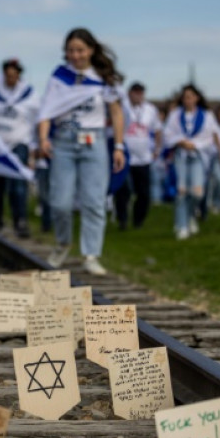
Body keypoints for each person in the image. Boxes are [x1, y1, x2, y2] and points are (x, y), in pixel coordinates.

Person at [37, 28, 126, 274]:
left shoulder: (102, 78)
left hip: (93, 141)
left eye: (80, 50)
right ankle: (63, 242)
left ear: (91, 50)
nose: (75, 55)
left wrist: (119, 146)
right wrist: (43, 138)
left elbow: (116, 113)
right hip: (63, 142)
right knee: (60, 202)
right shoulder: (59, 77)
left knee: (94, 201)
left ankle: (91, 254)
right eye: (71, 51)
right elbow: (46, 110)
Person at [0, 58, 39, 240]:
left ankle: (20, 220)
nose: (11, 78)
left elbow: (36, 119)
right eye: (8, 75)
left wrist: (33, 146)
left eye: (15, 75)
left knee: (18, 186)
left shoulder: (29, 93)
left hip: (18, 143)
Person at [163, 84, 220, 240]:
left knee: (197, 192)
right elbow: (168, 134)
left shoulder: (207, 116)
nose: (187, 100)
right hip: (181, 156)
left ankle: (190, 214)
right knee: (182, 190)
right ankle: (181, 225)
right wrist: (181, 142)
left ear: (197, 98)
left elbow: (210, 137)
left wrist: (195, 145)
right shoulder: (175, 115)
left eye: (190, 97)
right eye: (185, 97)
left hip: (198, 156)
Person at [114, 82, 163, 230]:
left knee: (144, 193)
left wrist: (157, 149)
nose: (137, 95)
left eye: (140, 93)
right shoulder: (122, 107)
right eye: (135, 92)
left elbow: (158, 129)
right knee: (123, 190)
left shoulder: (150, 109)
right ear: (129, 93)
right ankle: (122, 219)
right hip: (125, 155)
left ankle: (138, 220)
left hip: (143, 157)